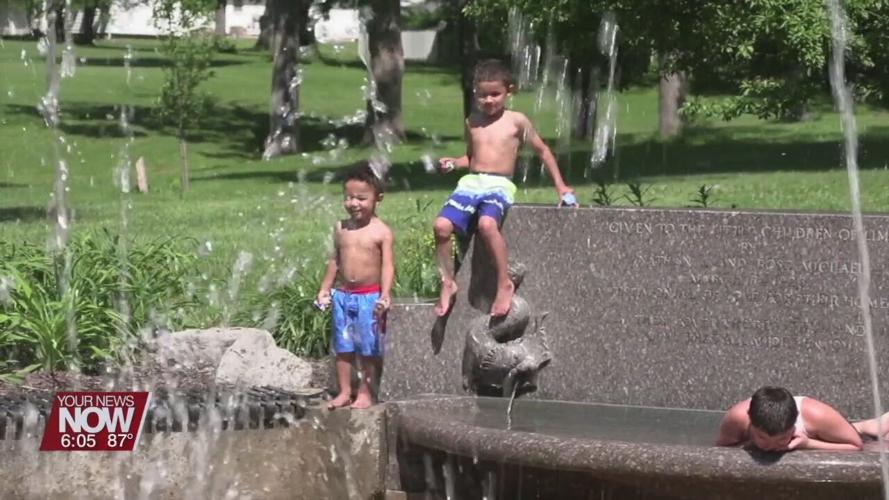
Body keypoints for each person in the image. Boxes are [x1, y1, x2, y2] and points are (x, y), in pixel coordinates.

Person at [434, 59, 576, 318]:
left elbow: (543, 151)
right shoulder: (473, 121)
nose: (488, 100)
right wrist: (454, 163)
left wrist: (561, 186)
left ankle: (504, 282)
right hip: (472, 183)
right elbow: (471, 157)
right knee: (441, 226)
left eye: (495, 94)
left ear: (509, 91)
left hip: (498, 184)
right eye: (482, 95)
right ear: (475, 93)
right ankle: (448, 281)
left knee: (487, 225)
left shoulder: (516, 121)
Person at [316, 162, 394, 410]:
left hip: (369, 298)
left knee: (368, 348)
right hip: (342, 296)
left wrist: (385, 294)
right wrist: (325, 288)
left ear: (378, 198)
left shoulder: (381, 232)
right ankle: (344, 392)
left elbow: (387, 266)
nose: (353, 203)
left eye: (361, 198)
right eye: (349, 197)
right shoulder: (341, 228)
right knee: (343, 347)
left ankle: (365, 392)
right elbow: (335, 261)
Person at [716, 385, 889, 451]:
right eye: (762, 438)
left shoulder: (817, 415)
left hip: (821, 431)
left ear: (794, 424)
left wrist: (808, 444)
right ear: (750, 420)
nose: (771, 447)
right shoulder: (737, 418)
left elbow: (856, 446)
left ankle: (873, 427)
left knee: (878, 445)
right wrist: (749, 445)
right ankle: (871, 426)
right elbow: (719, 451)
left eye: (782, 439)